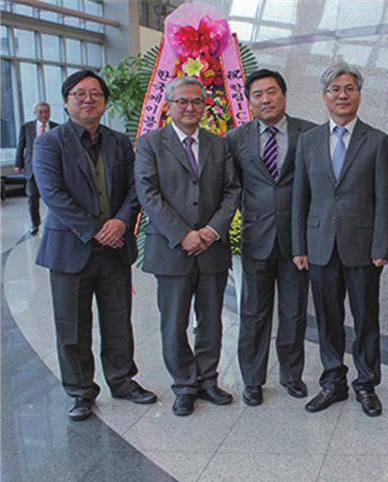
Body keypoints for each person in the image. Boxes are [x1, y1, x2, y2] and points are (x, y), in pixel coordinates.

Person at [33, 70, 157, 421]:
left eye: (95, 94)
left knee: (119, 320)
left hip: (115, 246)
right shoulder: (49, 143)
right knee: (71, 325)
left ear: (105, 101)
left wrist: (120, 222)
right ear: (66, 100)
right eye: (79, 94)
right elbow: (53, 194)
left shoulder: (119, 142)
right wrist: (95, 229)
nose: (88, 99)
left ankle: (122, 380)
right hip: (70, 249)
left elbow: (136, 189)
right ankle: (80, 391)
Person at [292, 62, 388, 417]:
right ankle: (333, 382)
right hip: (319, 246)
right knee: (327, 318)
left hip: (364, 248)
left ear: (359, 94)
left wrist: (382, 245)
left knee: (366, 318)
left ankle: (366, 384)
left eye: (349, 88)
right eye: (335, 89)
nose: (342, 95)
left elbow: (385, 198)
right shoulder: (308, 140)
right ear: (324, 96)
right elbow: (300, 198)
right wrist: (299, 246)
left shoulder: (378, 140)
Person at [135, 76, 240, 417]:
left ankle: (208, 380)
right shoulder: (150, 144)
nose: (190, 107)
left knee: (211, 320)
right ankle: (184, 384)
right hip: (170, 249)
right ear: (169, 105)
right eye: (182, 101)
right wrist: (183, 234)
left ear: (205, 105)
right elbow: (148, 194)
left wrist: (210, 231)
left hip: (211, 248)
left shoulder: (219, 145)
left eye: (197, 101)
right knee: (174, 322)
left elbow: (232, 191)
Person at [227, 69, 316, 406]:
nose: (266, 99)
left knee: (294, 312)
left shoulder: (309, 133)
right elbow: (229, 190)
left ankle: (292, 375)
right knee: (253, 312)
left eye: (272, 92)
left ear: (284, 94)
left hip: (297, 240)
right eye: (258, 94)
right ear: (249, 101)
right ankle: (252, 379)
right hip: (255, 237)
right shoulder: (236, 139)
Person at [16, 101, 58, 235]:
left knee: (55, 197)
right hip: (32, 168)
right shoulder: (27, 127)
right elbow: (21, 146)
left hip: (52, 169)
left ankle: (57, 223)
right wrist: (19, 163)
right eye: (41, 112)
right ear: (35, 113)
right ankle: (35, 224)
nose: (44, 114)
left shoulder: (57, 128)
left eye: (46, 111)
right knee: (32, 197)